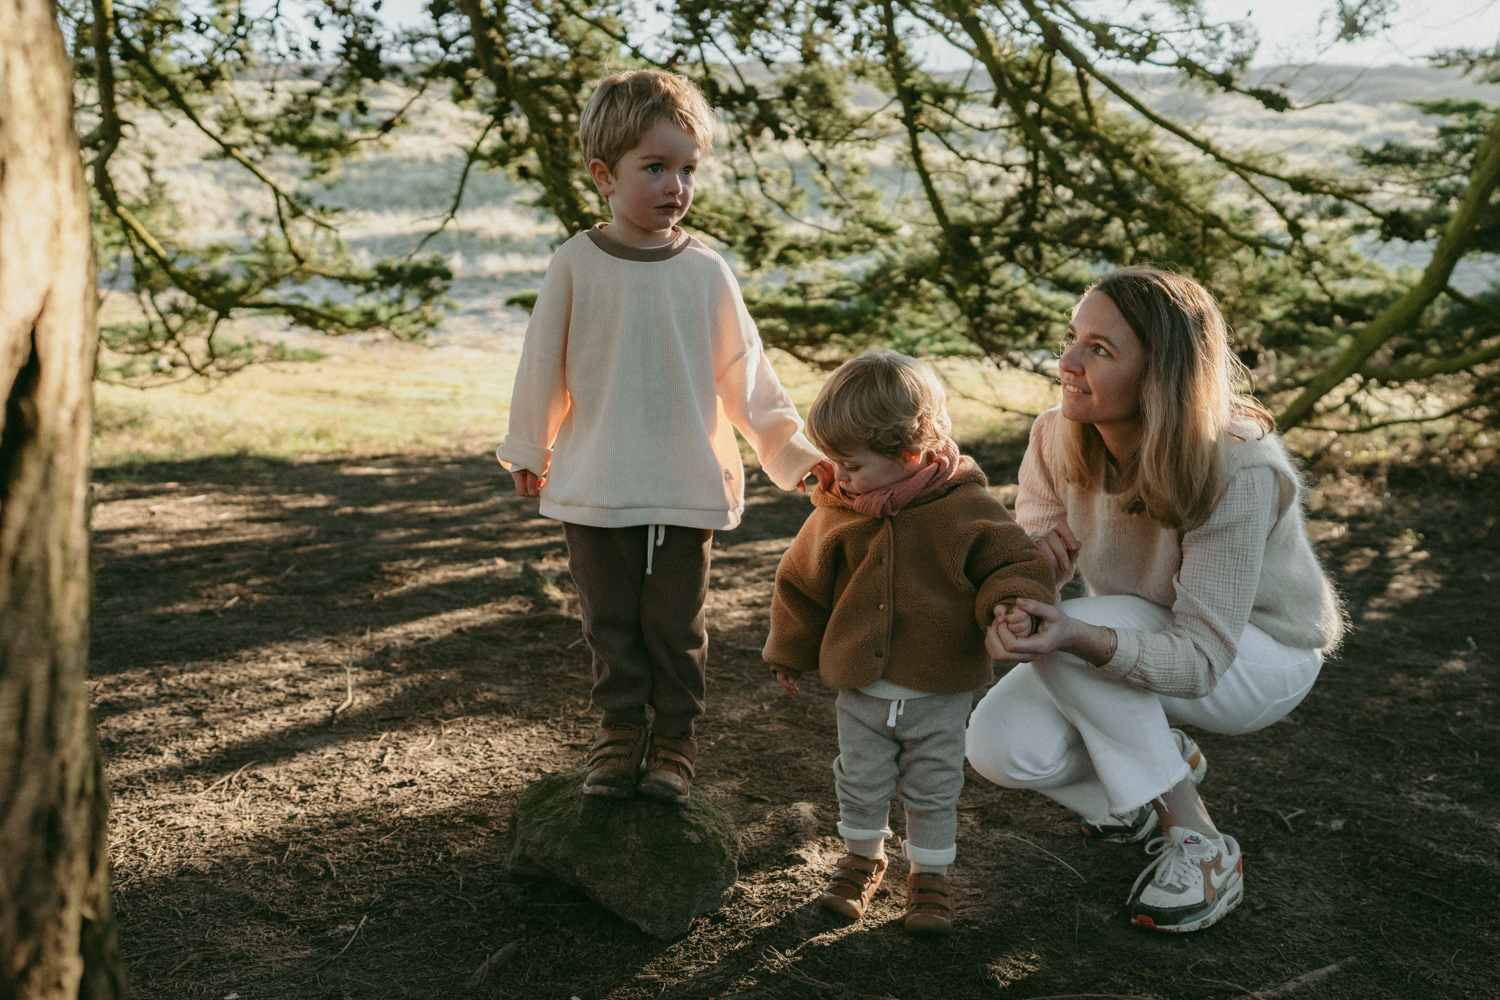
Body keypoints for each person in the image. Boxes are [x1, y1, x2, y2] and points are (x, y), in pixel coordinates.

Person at [965, 266, 1345, 933]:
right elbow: (1027, 566)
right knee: (999, 746)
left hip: (1257, 655)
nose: (1067, 363)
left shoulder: (1237, 465)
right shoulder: (1055, 437)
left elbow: (1200, 659)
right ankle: (1138, 783)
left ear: (1161, 375)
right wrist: (1027, 591)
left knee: (1079, 629)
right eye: (1072, 338)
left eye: (1100, 350)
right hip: (1140, 628)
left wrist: (1070, 633)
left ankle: (1198, 843)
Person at [496, 70, 831, 806]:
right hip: (596, 478)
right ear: (603, 175)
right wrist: (529, 445)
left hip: (684, 481)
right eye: (655, 167)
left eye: (687, 170)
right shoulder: (576, 264)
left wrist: (798, 458)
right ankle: (619, 732)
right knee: (609, 621)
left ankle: (675, 739)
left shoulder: (706, 272)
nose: (675, 185)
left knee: (676, 625)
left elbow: (748, 377)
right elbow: (541, 363)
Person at [764, 350, 1055, 934]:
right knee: (860, 776)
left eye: (851, 465)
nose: (839, 478)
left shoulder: (965, 508)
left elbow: (1013, 560)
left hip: (940, 687)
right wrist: (790, 649)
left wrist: (1012, 601)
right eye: (834, 463)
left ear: (911, 456)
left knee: (934, 784)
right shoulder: (837, 513)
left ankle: (930, 875)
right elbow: (800, 582)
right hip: (862, 688)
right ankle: (862, 860)